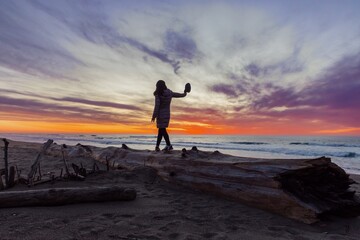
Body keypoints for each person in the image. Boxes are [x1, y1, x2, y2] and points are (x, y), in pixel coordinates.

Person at [152, 80, 187, 151]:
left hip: (160, 115)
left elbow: (157, 106)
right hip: (167, 114)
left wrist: (154, 116)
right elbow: (179, 95)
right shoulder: (170, 93)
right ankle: (157, 146)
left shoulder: (158, 94)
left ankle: (168, 145)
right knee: (161, 130)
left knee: (162, 130)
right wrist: (184, 93)